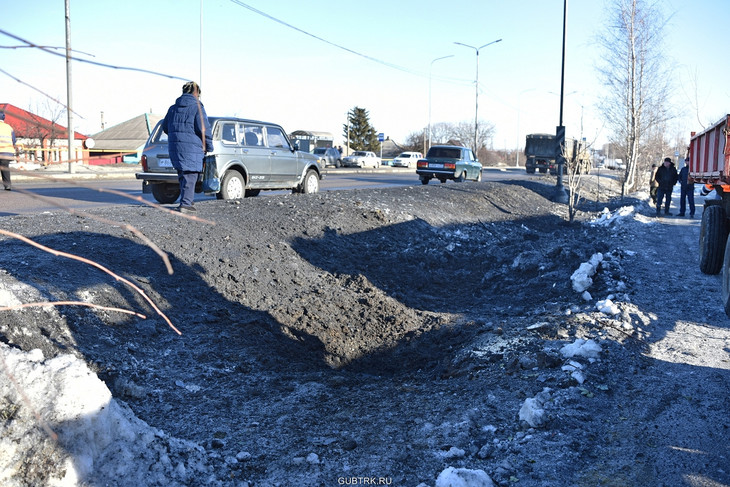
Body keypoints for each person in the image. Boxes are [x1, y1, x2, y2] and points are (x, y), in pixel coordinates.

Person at [162, 81, 213, 212]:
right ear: (197, 94)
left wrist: (177, 136)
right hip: (192, 148)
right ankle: (185, 204)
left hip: (176, 148)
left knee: (183, 175)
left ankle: (187, 201)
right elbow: (204, 129)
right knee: (190, 176)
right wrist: (209, 146)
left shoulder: (173, 108)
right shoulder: (197, 107)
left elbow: (165, 127)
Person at [0, 111, 17, 191]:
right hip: (8, 152)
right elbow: (14, 140)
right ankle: (7, 185)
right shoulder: (9, 127)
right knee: (5, 167)